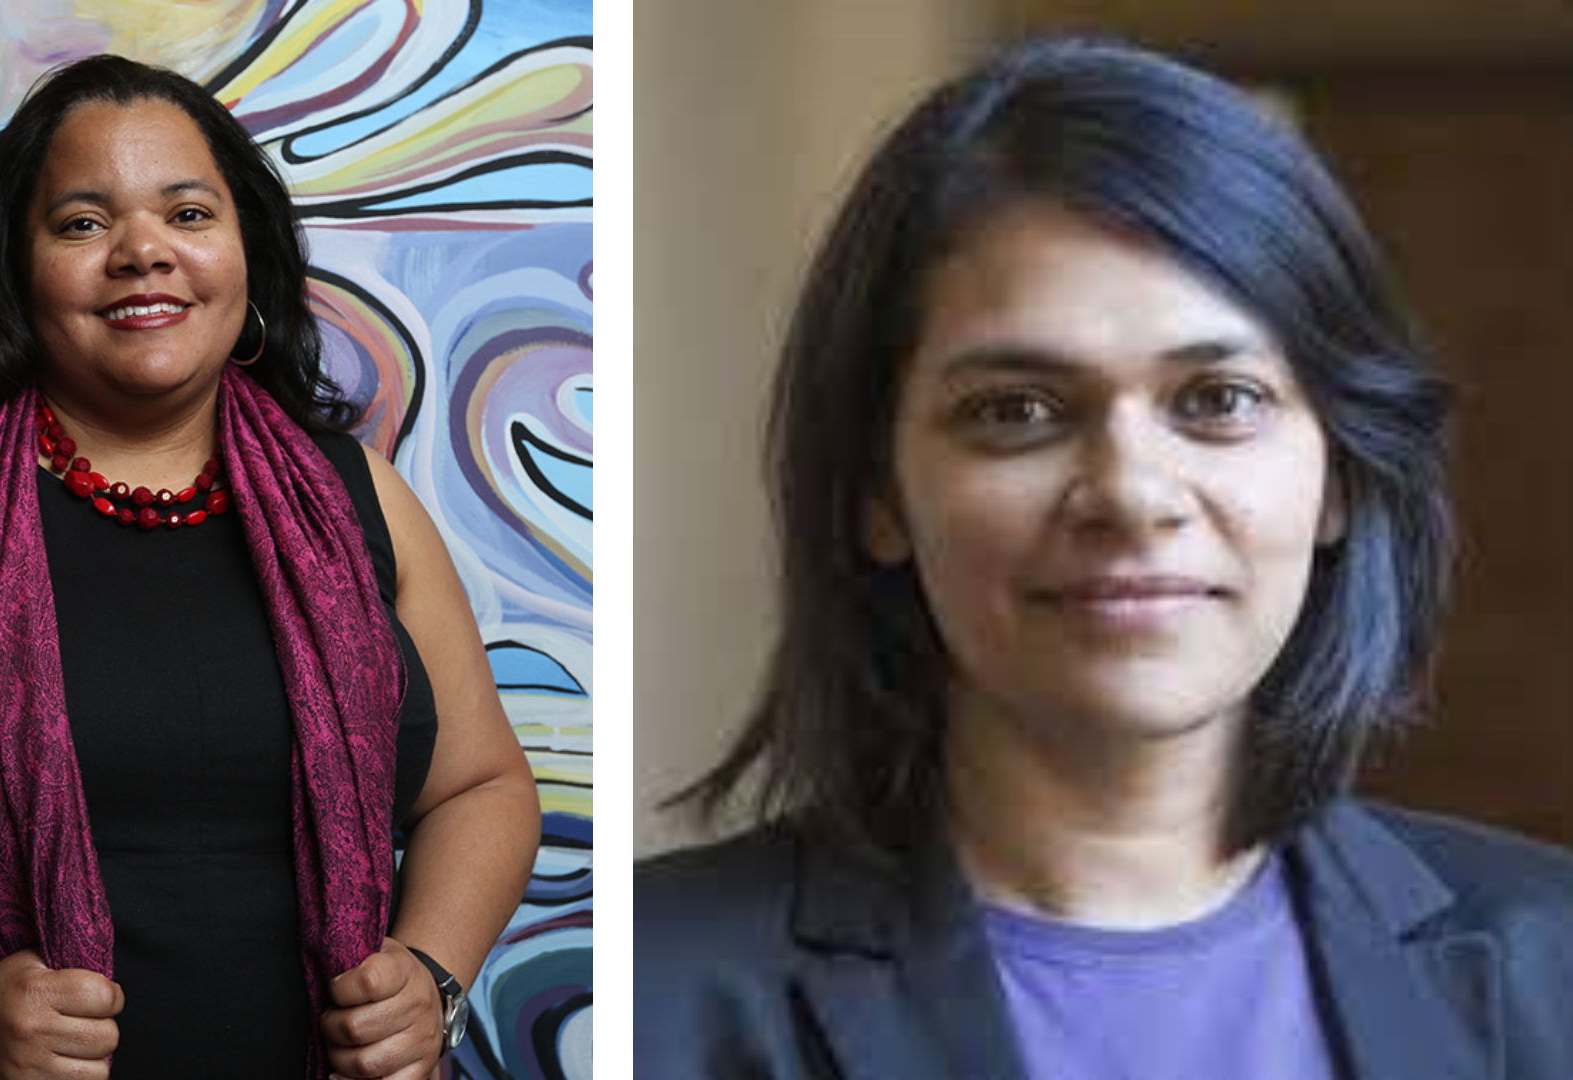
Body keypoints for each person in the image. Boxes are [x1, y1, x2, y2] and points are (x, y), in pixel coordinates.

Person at [635, 36, 1573, 1080]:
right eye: (1017, 411)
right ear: (876, 494)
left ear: (1340, 475)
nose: (1130, 492)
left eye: (1219, 401)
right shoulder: (635, 998)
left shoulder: (1558, 964)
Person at [0, 55, 541, 1080]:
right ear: (17, 269)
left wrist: (431, 979)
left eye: (188, 213)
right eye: (83, 224)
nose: (144, 251)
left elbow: (483, 786)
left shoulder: (361, 497)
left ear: (246, 254)